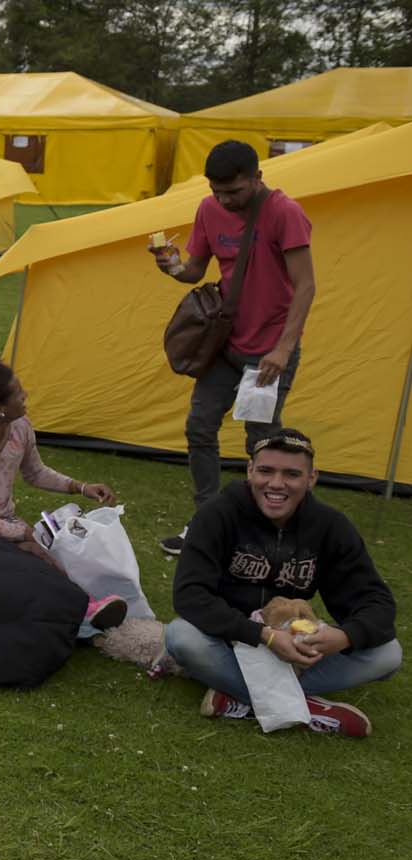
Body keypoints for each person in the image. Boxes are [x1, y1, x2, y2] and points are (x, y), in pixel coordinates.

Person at [166, 429, 399, 736]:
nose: (276, 484)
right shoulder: (217, 514)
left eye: (292, 474)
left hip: (299, 646)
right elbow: (189, 595)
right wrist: (266, 637)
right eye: (265, 471)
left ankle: (239, 695)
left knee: (388, 654)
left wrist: (343, 637)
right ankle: (307, 708)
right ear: (250, 471)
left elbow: (377, 602)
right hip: (231, 640)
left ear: (312, 477)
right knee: (181, 637)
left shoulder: (330, 526)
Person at [152, 140, 315, 556]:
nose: (225, 200)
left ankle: (261, 527)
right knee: (199, 427)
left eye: (235, 192)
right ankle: (207, 521)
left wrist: (282, 349)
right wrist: (171, 265)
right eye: (217, 191)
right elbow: (194, 270)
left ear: (258, 178)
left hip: (269, 351)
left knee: (261, 442)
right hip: (224, 344)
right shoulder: (209, 209)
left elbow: (305, 287)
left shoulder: (284, 212)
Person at [0, 359, 116, 565]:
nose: (25, 395)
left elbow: (35, 472)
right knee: (29, 568)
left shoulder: (20, 426)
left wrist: (81, 487)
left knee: (57, 561)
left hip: (4, 524)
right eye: (18, 392)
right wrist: (26, 533)